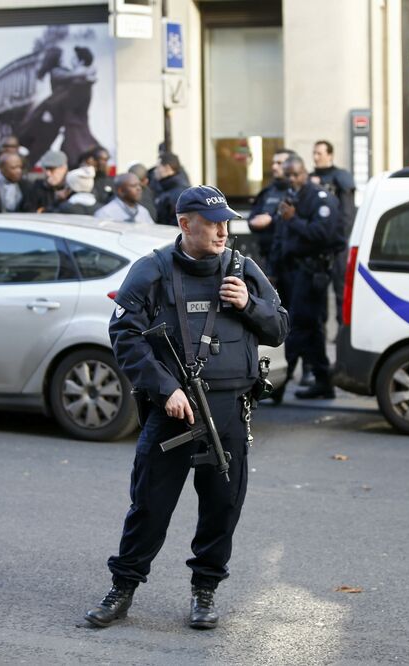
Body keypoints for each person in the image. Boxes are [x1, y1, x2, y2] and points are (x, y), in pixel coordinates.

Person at [84, 185, 289, 630]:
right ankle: (122, 589)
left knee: (222, 508)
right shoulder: (152, 270)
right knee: (150, 507)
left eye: (226, 222)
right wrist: (165, 389)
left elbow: (278, 328)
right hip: (174, 411)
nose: (222, 231)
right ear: (185, 224)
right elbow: (125, 336)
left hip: (230, 409)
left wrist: (248, 305)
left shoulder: (242, 269)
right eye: (213, 223)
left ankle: (205, 590)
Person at [270, 156, 343, 400]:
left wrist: (294, 219)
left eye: (296, 174)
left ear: (305, 173)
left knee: (299, 326)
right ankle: (324, 381)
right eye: (288, 175)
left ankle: (278, 385)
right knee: (312, 329)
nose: (292, 179)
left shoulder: (320, 198)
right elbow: (280, 235)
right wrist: (272, 270)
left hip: (313, 272)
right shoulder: (290, 197)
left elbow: (322, 234)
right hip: (291, 271)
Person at [311, 140, 357, 326]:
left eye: (319, 153)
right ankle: (319, 333)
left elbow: (347, 213)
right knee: (317, 294)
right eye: (314, 153)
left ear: (330, 155)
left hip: (337, 246)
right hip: (317, 245)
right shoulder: (310, 178)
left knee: (341, 291)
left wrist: (340, 240)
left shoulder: (340, 177)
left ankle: (342, 333)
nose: (315, 157)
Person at [247, 148, 296, 276]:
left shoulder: (298, 191)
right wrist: (254, 222)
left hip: (291, 262)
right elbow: (252, 219)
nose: (274, 167)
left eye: (279, 163)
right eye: (274, 163)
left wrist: (271, 221)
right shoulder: (267, 192)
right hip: (267, 259)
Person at [152, 152, 191, 226]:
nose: (155, 171)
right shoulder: (166, 188)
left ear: (167, 168)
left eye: (158, 167)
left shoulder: (179, 193)